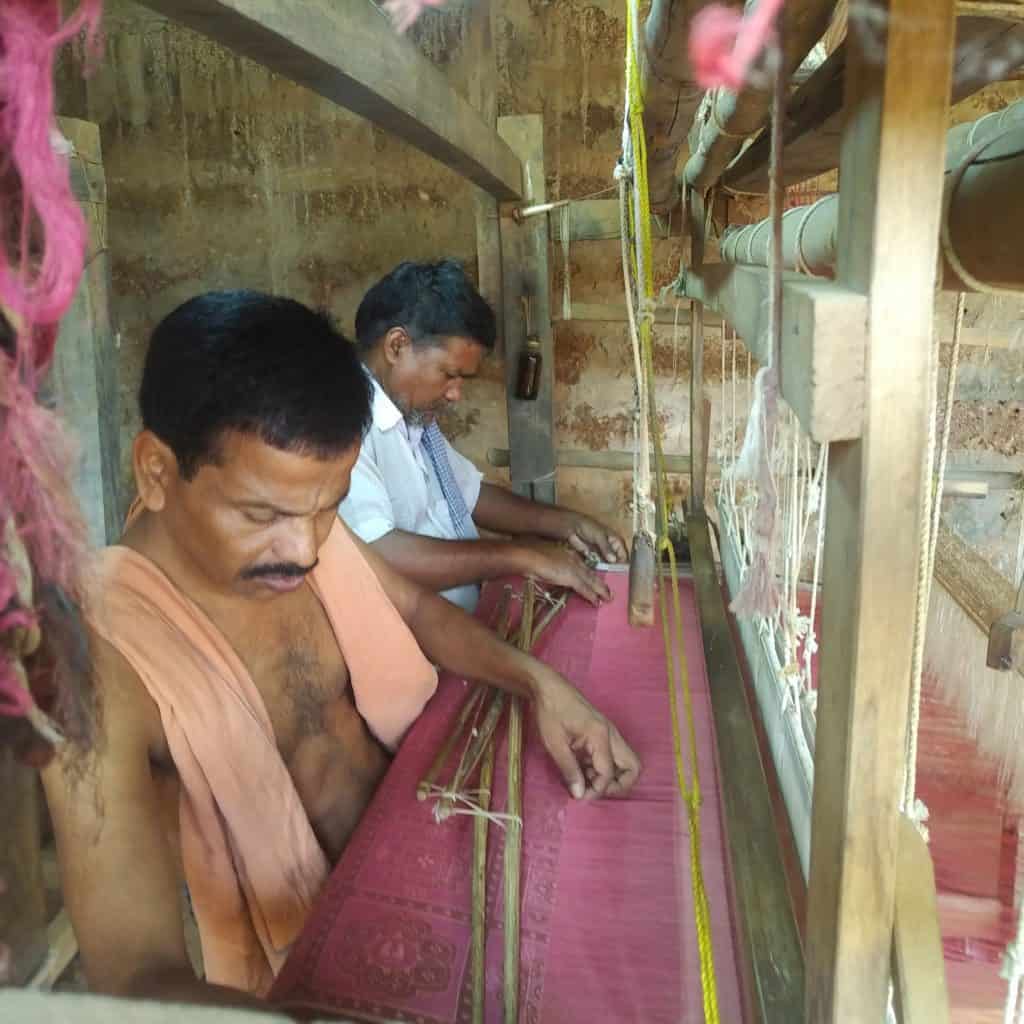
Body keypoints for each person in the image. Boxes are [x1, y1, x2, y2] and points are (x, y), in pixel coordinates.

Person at [41, 292, 640, 1011]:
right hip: (315, 968)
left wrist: (542, 685)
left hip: (427, 838)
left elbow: (414, 607)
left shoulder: (307, 534)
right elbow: (135, 979)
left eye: (327, 508)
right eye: (262, 515)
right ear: (157, 472)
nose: (303, 549)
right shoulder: (95, 657)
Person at [340, 260, 628, 613]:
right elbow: (378, 552)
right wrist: (520, 555)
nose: (455, 394)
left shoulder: (411, 419)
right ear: (397, 346)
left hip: (455, 630)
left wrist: (570, 524)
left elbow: (467, 496)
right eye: (449, 374)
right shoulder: (343, 424)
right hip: (407, 650)